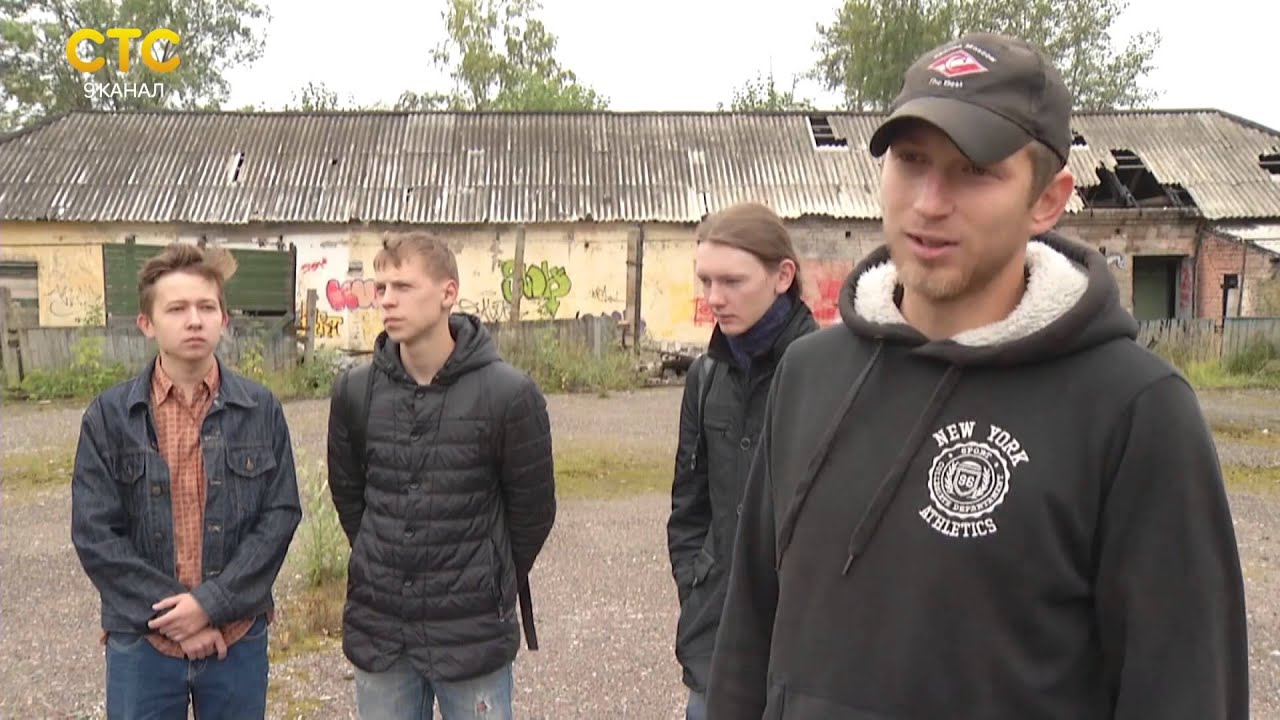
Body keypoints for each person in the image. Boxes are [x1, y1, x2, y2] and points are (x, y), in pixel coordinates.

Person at [705, 31, 1250, 719]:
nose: (930, 202)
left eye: (975, 170)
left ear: (1048, 199)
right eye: (911, 161)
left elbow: (1186, 692)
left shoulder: (1134, 410)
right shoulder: (809, 375)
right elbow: (748, 635)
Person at [326, 231, 556, 720]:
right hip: (382, 630)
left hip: (471, 632)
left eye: (404, 287)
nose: (387, 300)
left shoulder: (508, 394)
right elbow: (350, 497)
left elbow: (533, 512)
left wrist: (488, 577)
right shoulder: (355, 391)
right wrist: (386, 559)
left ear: (448, 293)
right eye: (382, 288)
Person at [71, 242, 302, 719]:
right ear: (147, 324)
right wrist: (179, 617)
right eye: (177, 309)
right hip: (143, 641)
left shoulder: (260, 409)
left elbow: (279, 517)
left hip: (236, 636)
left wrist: (211, 605)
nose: (194, 320)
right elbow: (95, 534)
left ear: (224, 319)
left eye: (206, 307)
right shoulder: (109, 417)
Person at [666, 201, 818, 720]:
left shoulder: (830, 374)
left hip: (802, 650)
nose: (714, 298)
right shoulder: (705, 377)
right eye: (706, 281)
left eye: (732, 281)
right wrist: (697, 583)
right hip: (715, 644)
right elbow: (689, 507)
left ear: (783, 276)